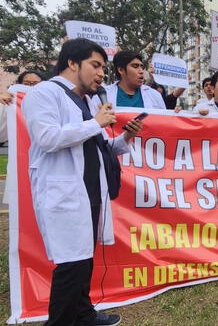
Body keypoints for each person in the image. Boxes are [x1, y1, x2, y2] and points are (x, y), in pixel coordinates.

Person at [22, 38, 143, 326]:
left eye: (103, 67)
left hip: (89, 192)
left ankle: (84, 313)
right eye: (95, 65)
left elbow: (102, 148)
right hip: (63, 193)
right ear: (72, 63)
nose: (102, 74)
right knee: (71, 264)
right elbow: (47, 138)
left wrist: (126, 136)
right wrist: (96, 123)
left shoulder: (87, 101)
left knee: (85, 257)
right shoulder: (44, 93)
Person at [94, 50, 165, 109]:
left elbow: (163, 123)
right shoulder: (101, 96)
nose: (141, 71)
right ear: (121, 70)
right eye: (135, 66)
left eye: (141, 67)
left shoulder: (155, 95)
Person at [0, 71, 47, 143]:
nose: (31, 87)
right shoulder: (11, 99)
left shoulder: (50, 100)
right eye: (26, 84)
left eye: (35, 83)